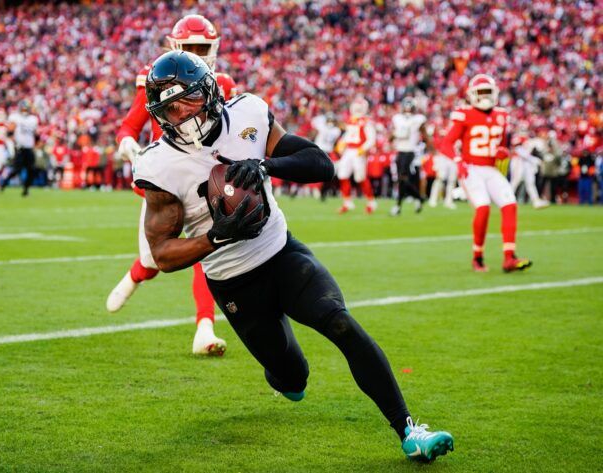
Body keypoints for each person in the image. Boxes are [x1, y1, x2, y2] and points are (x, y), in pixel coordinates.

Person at [134, 50, 454, 463]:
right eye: (170, 108)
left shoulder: (247, 113)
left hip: (281, 252)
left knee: (339, 322)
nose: (182, 114)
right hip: (233, 282)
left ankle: (409, 430)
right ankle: (283, 371)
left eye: (190, 100)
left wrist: (264, 165)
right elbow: (162, 254)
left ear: (210, 90)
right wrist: (215, 236)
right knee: (292, 378)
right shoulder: (160, 164)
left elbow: (321, 164)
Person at [107, 14, 237, 356]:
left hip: (205, 177)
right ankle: (135, 274)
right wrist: (127, 144)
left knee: (206, 250)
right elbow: (128, 126)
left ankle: (205, 329)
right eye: (190, 47)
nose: (196, 54)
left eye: (201, 48)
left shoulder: (222, 82)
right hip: (165, 180)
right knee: (154, 261)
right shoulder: (156, 78)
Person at [439, 74, 532, 272]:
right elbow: (445, 143)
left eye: (488, 92)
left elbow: (503, 148)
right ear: (472, 95)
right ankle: (477, 257)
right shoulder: (464, 114)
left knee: (510, 205)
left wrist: (503, 153)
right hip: (471, 167)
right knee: (483, 208)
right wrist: (458, 160)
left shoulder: (501, 115)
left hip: (491, 169)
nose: (485, 97)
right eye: (481, 93)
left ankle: (509, 257)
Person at [390, 97, 433, 216]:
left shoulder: (418, 119)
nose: (408, 110)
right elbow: (391, 137)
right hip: (400, 151)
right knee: (401, 180)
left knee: (403, 178)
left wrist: (433, 150)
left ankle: (399, 205)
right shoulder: (397, 119)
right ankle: (418, 198)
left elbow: (425, 135)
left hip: (411, 152)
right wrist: (395, 134)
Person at [336, 97, 377, 214]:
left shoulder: (367, 121)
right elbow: (349, 135)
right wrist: (341, 143)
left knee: (360, 177)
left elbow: (371, 139)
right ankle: (347, 202)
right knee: (342, 174)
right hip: (349, 150)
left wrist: (362, 149)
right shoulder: (350, 120)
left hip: (358, 151)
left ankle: (371, 202)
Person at [2, 100, 39, 196]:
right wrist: (13, 142)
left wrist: (36, 145)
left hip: (29, 148)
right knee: (16, 170)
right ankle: (4, 184)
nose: (24, 110)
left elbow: (35, 134)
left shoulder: (33, 119)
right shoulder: (15, 117)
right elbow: (9, 132)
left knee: (32, 170)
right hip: (20, 148)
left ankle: (26, 190)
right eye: (23, 108)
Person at [509, 128, 549, 209]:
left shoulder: (531, 141)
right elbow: (519, 151)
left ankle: (536, 200)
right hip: (518, 161)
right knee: (516, 180)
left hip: (526, 162)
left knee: (530, 182)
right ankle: (508, 199)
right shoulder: (519, 139)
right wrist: (535, 160)